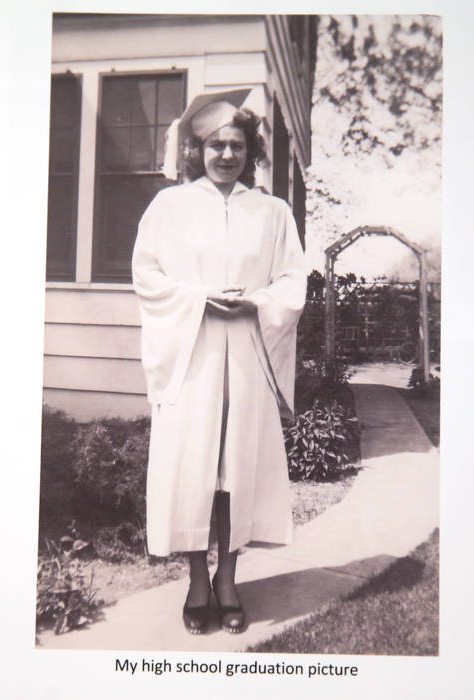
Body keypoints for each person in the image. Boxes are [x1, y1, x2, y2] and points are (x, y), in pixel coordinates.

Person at [131, 88, 307, 635]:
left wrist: (256, 300)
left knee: (236, 471)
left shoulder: (271, 212)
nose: (226, 155)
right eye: (215, 146)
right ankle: (196, 582)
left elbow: (292, 279)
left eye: (236, 145)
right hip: (194, 354)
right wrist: (198, 297)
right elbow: (147, 275)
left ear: (250, 151)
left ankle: (228, 580)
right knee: (194, 471)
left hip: (247, 355)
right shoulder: (170, 207)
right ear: (196, 152)